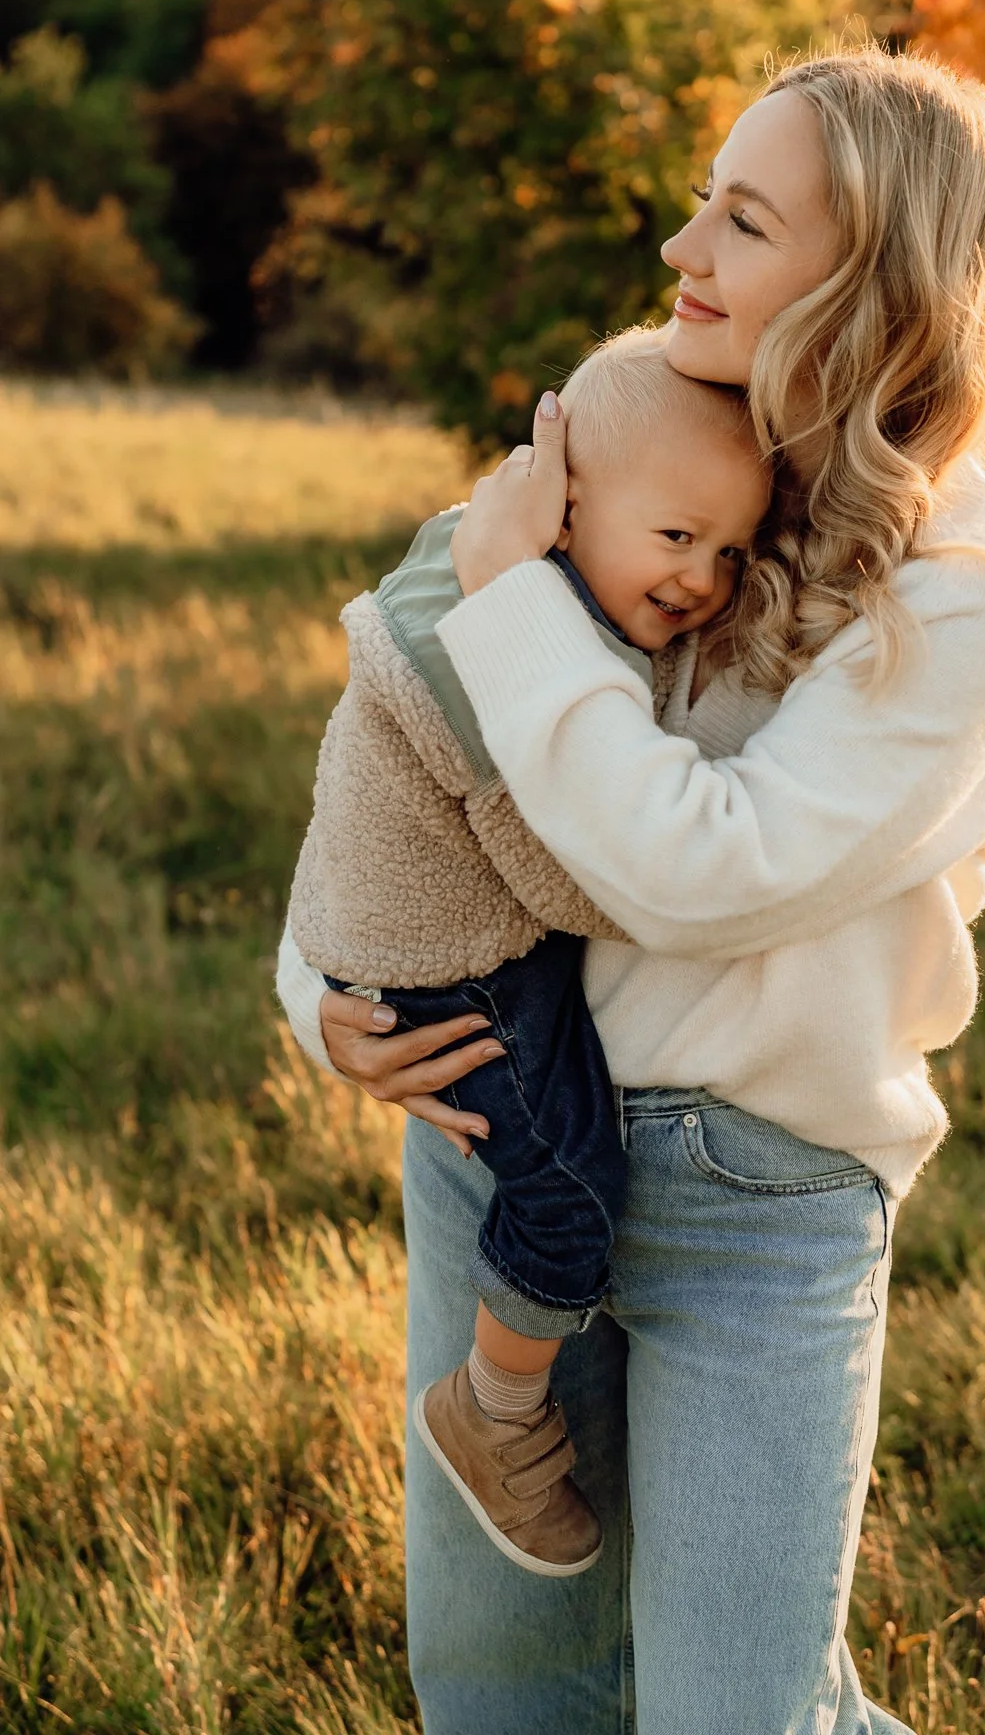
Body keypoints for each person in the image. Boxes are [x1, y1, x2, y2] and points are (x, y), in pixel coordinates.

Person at [276, 44, 985, 1735]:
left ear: (878, 280)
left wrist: (517, 602)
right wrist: (323, 991)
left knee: (738, 1713)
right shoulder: (638, 424)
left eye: (745, 220)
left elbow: (707, 873)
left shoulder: (970, 586)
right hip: (500, 1139)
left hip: (759, 1201)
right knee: (504, 1691)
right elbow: (402, 714)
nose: (680, 248)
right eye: (705, 200)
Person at [285, 330, 771, 1575]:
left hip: (435, 949)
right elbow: (571, 868)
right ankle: (494, 1409)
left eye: (730, 552)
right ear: (564, 505)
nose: (703, 578)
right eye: (678, 536)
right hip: (455, 974)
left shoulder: (480, 580)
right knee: (568, 1186)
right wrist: (684, 874)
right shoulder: (496, 656)